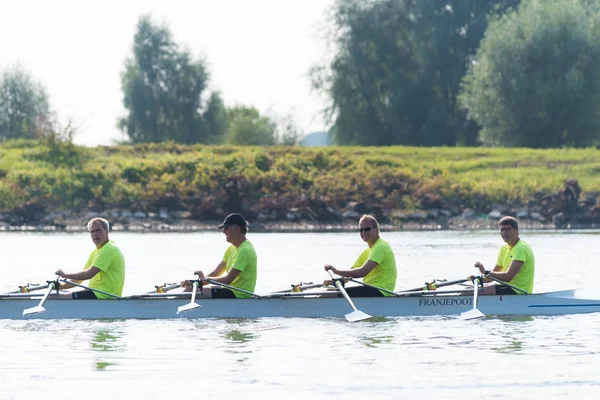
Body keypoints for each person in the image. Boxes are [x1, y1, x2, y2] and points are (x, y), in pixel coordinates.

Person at [181, 213, 257, 298]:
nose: (224, 231)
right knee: (190, 289)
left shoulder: (245, 250)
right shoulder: (231, 249)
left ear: (237, 229)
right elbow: (216, 273)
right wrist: (196, 282)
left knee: (188, 292)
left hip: (239, 294)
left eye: (226, 228)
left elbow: (227, 280)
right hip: (229, 290)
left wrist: (200, 282)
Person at [323, 214, 397, 297]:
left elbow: (363, 272)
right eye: (361, 230)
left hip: (380, 291)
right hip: (370, 290)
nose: (363, 232)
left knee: (330, 294)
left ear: (376, 230)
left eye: (367, 229)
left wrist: (336, 271)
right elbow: (351, 274)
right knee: (330, 291)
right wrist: (334, 281)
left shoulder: (381, 247)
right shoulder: (367, 251)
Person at [55, 217, 126, 299]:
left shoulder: (109, 249)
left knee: (57, 298)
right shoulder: (96, 252)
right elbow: (79, 279)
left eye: (98, 230)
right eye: (92, 231)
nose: (95, 234)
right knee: (57, 296)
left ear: (106, 231)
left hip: (104, 295)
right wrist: (61, 286)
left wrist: (65, 275)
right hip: (96, 293)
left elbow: (88, 275)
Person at [474, 216, 535, 295]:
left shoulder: (521, 248)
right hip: (507, 287)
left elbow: (508, 277)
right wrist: (479, 279)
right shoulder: (504, 248)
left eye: (508, 229)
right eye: (502, 229)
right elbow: (492, 276)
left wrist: (485, 272)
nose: (504, 232)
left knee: (468, 293)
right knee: (468, 290)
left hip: (518, 291)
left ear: (516, 230)